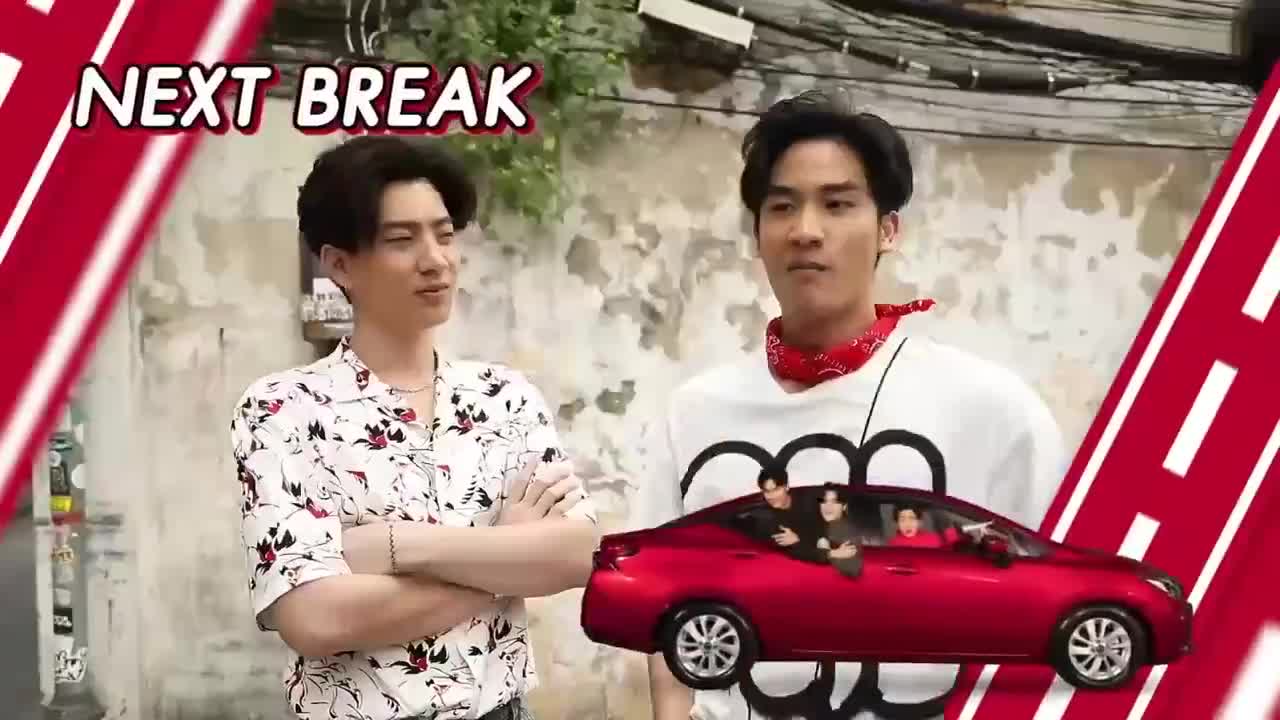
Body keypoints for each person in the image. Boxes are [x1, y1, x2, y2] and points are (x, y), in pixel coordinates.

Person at [632, 90, 1067, 720]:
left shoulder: (994, 414)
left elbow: (1053, 609)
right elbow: (663, 607)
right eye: (782, 206)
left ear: (888, 229)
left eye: (838, 204)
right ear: (757, 234)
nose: (806, 230)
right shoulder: (694, 415)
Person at [230, 136, 600, 720]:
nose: (435, 259)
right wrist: (506, 554)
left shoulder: (504, 397)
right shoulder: (283, 410)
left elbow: (579, 554)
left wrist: (396, 546)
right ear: (339, 264)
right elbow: (315, 618)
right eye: (402, 240)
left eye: (445, 235)